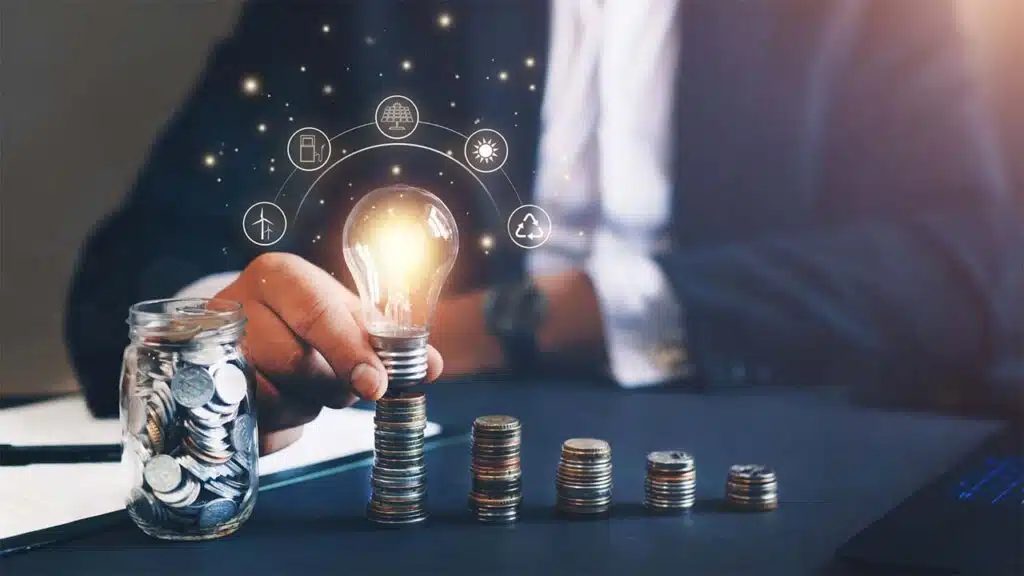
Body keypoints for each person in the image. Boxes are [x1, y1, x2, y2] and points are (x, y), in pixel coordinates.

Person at [66, 0, 1021, 455]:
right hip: (393, 446)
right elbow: (134, 269)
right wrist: (235, 348)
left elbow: (972, 264)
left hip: (779, 432)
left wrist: (529, 317)